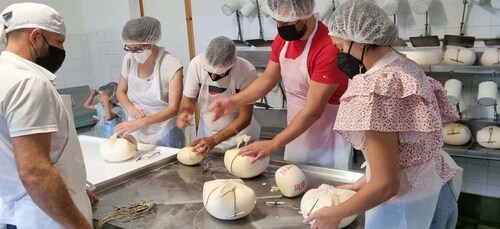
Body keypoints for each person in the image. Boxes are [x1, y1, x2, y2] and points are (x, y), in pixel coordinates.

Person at [303, 1, 460, 228]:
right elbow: (405, 149)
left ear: (359, 41)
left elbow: (386, 186)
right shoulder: (405, 67)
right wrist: (365, 181)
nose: (337, 55)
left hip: (409, 208)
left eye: (338, 47)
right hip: (437, 190)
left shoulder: (374, 88)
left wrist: (337, 212)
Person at [210, 0, 351, 169]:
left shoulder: (328, 47)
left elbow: (313, 110)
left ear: (305, 15)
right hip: (295, 131)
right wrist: (233, 101)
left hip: (327, 136)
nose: (280, 26)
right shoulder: (283, 41)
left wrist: (274, 143)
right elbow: (267, 79)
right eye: (278, 20)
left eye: (287, 21)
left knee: (328, 189)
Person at [0, 3, 94, 228]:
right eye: (59, 42)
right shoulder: (28, 83)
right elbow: (35, 172)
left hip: (19, 209)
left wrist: (77, 188)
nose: (61, 49)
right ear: (36, 37)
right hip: (48, 218)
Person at [177, 36, 260, 154]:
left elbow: (245, 117)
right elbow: (189, 99)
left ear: (232, 65)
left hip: (239, 136)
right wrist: (185, 111)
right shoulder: (196, 64)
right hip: (206, 133)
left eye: (220, 74)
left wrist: (215, 139)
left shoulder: (246, 71)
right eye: (210, 72)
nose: (214, 78)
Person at [115, 16, 185, 147]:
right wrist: (132, 110)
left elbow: (173, 109)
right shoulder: (129, 59)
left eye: (136, 48)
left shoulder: (171, 65)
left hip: (164, 132)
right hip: (135, 129)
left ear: (151, 41)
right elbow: (120, 91)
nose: (133, 53)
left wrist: (142, 122)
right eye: (129, 48)